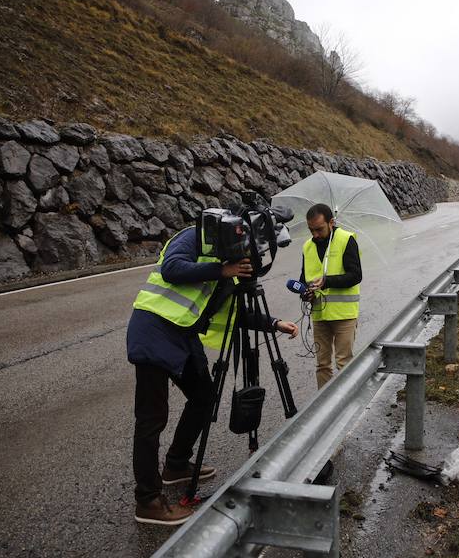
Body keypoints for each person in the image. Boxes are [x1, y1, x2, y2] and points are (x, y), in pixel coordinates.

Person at [127, 224, 298, 526]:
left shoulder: (230, 266)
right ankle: (148, 501)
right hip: (153, 330)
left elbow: (234, 311)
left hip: (183, 335)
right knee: (152, 419)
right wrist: (224, 269)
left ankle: (176, 464)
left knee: (205, 397)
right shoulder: (195, 235)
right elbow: (172, 269)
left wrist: (274, 323)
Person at [300, 203, 362, 389]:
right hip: (319, 314)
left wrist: (327, 281)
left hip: (344, 315)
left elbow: (355, 276)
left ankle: (345, 405)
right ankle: (323, 409)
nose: (315, 235)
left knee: (344, 364)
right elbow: (303, 278)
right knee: (322, 365)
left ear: (331, 222)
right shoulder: (307, 246)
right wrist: (305, 293)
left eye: (319, 229)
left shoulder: (346, 239)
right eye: (311, 230)